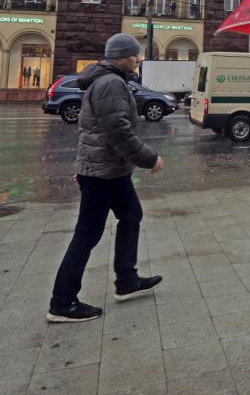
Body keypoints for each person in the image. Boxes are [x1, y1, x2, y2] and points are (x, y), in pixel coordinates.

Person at [48, 33, 164, 323]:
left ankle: (127, 280)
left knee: (132, 215)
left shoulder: (110, 80)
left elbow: (94, 130)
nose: (138, 59)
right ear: (123, 56)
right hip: (103, 173)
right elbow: (118, 132)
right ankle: (62, 302)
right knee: (87, 234)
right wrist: (149, 158)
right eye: (136, 55)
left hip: (112, 170)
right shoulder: (111, 83)